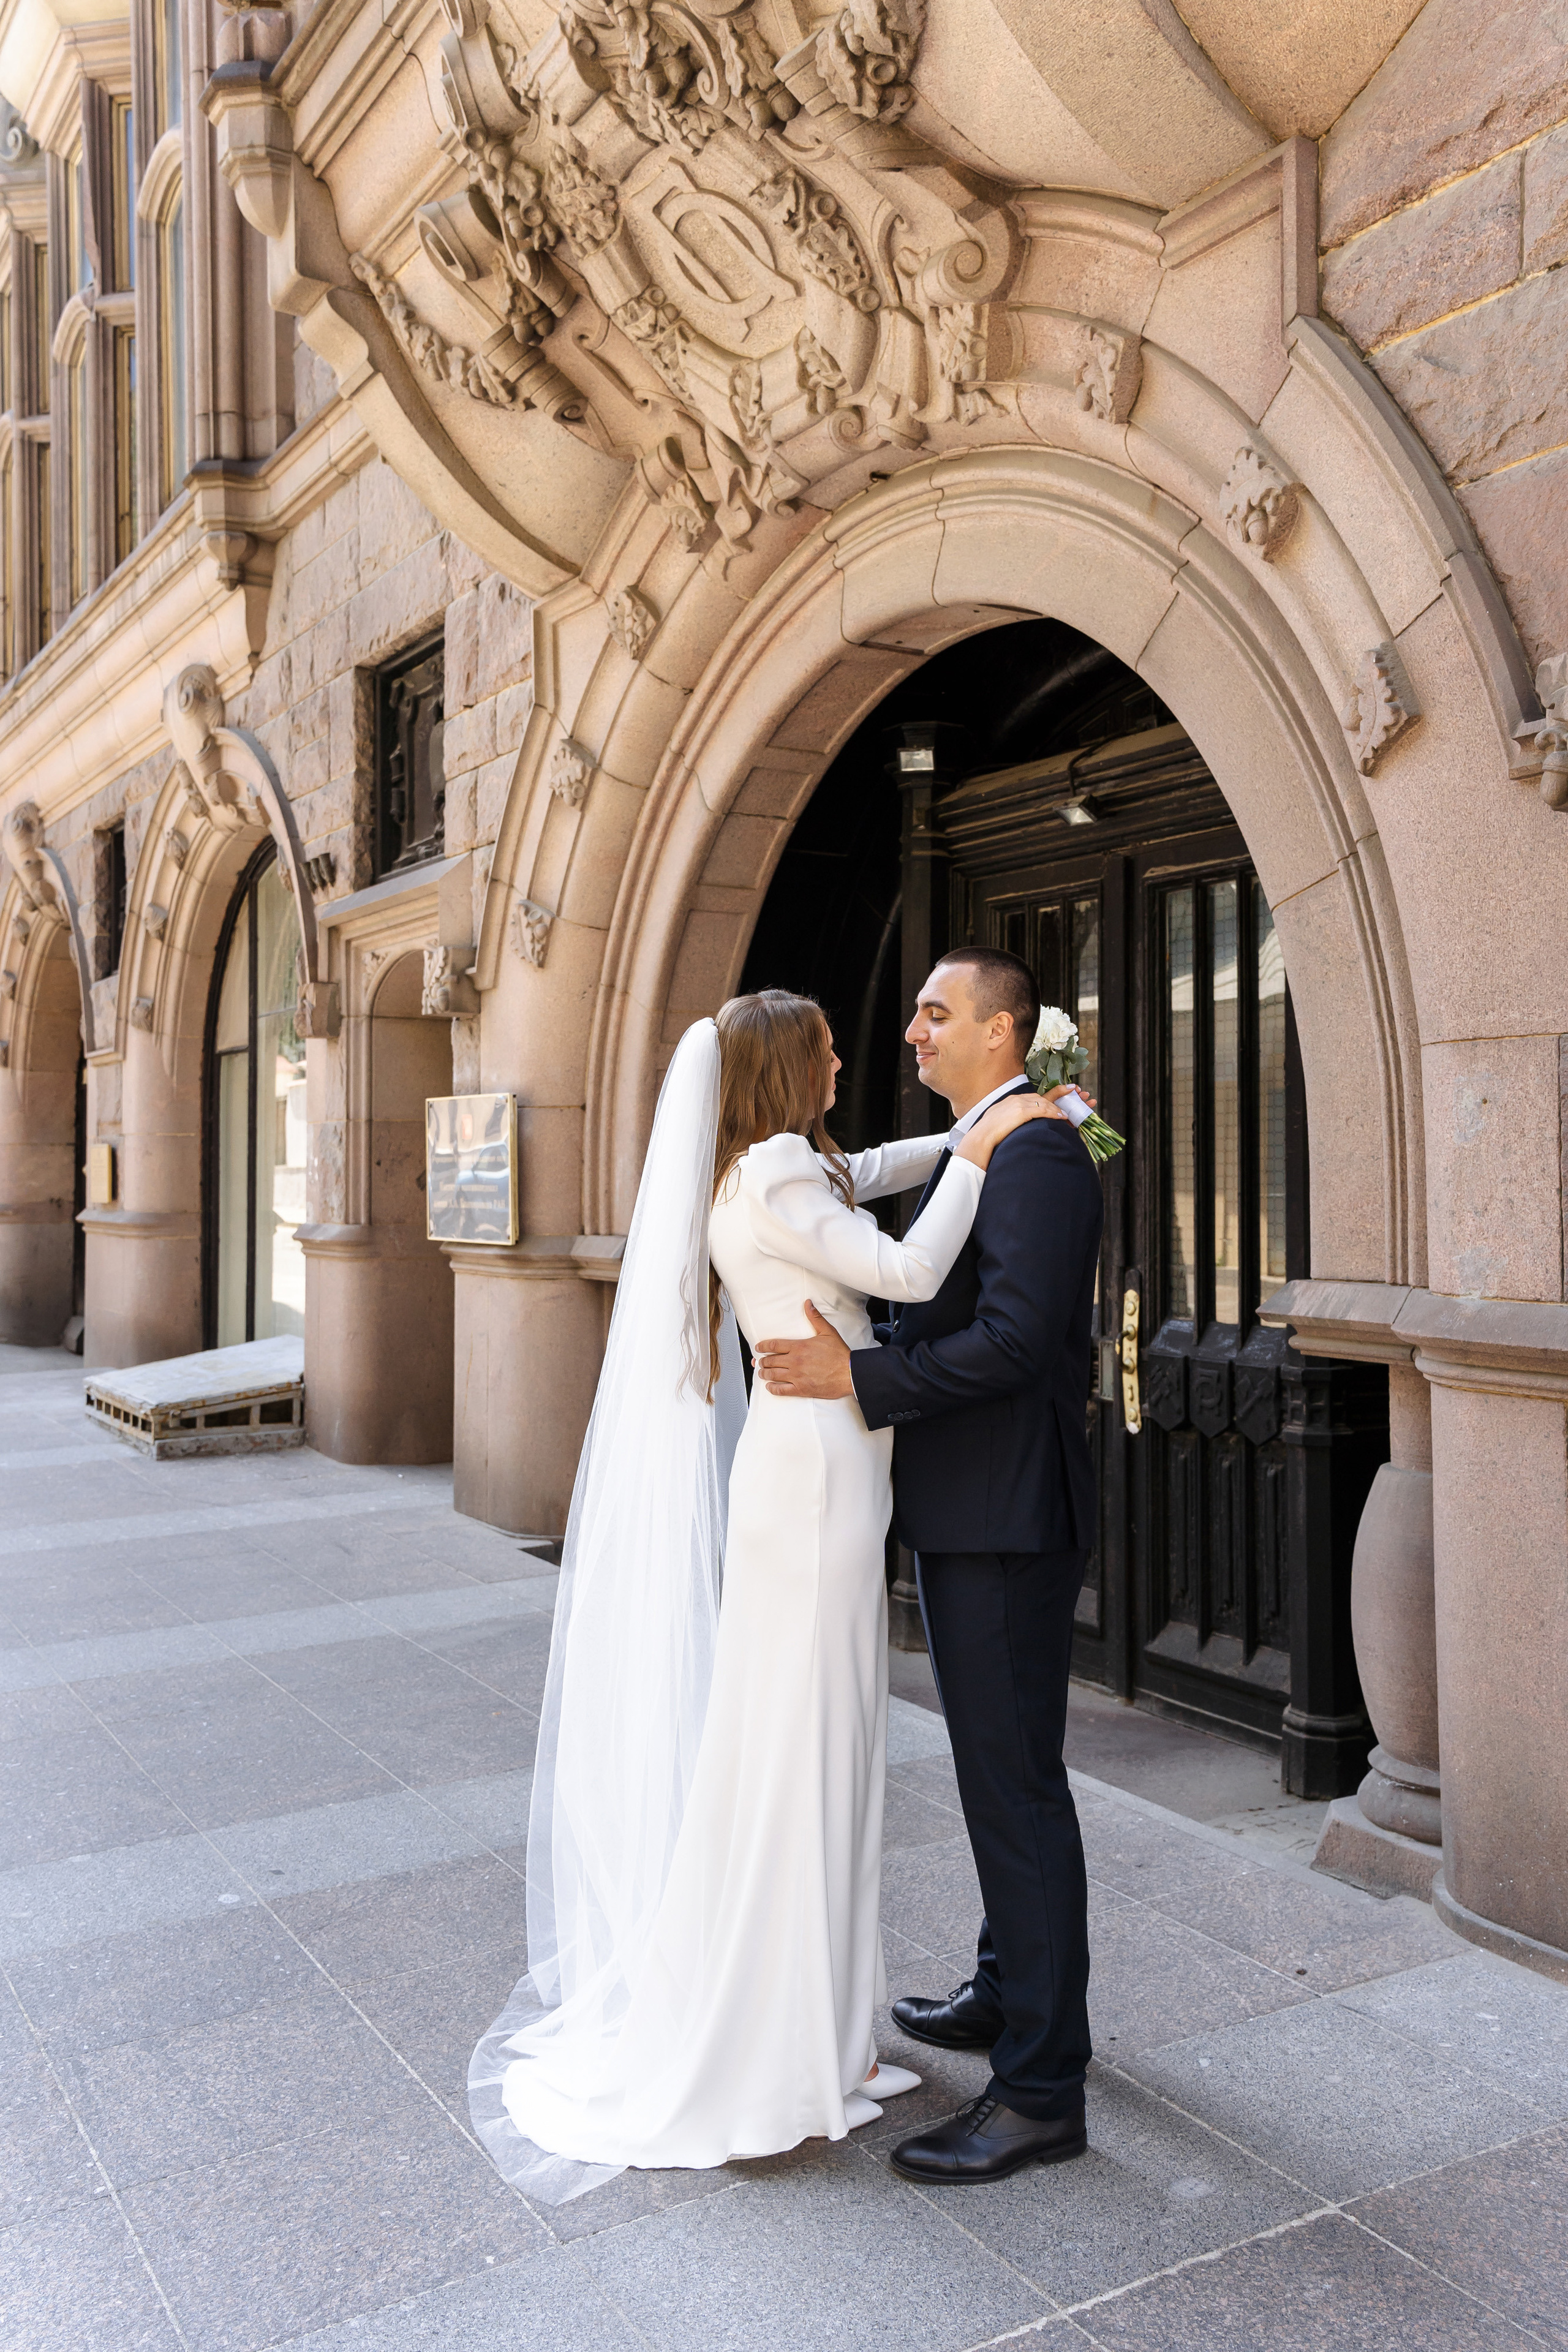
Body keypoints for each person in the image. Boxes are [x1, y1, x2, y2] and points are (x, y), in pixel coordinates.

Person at [468, 988, 1067, 2202]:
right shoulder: (797, 1167)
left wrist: (979, 1138)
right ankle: (785, 2036)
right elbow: (905, 1263)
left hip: (830, 1470)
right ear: (787, 1067)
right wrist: (981, 1149)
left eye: (930, 1016)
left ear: (997, 1036)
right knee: (804, 1740)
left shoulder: (810, 1162)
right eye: (843, 1039)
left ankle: (825, 2023)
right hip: (818, 1479)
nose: (879, 1044)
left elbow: (892, 1188)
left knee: (823, 1742)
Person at [753, 946, 1104, 2185]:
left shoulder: (1041, 1152)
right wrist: (877, 1342)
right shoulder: (982, 1142)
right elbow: (951, 1310)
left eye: (935, 1013)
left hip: (1006, 1518)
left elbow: (1014, 1343)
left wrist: (862, 1378)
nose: (910, 1031)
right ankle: (1011, 1996)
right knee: (998, 1782)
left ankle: (1039, 2092)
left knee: (1014, 1795)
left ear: (1001, 1036)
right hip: (968, 1510)